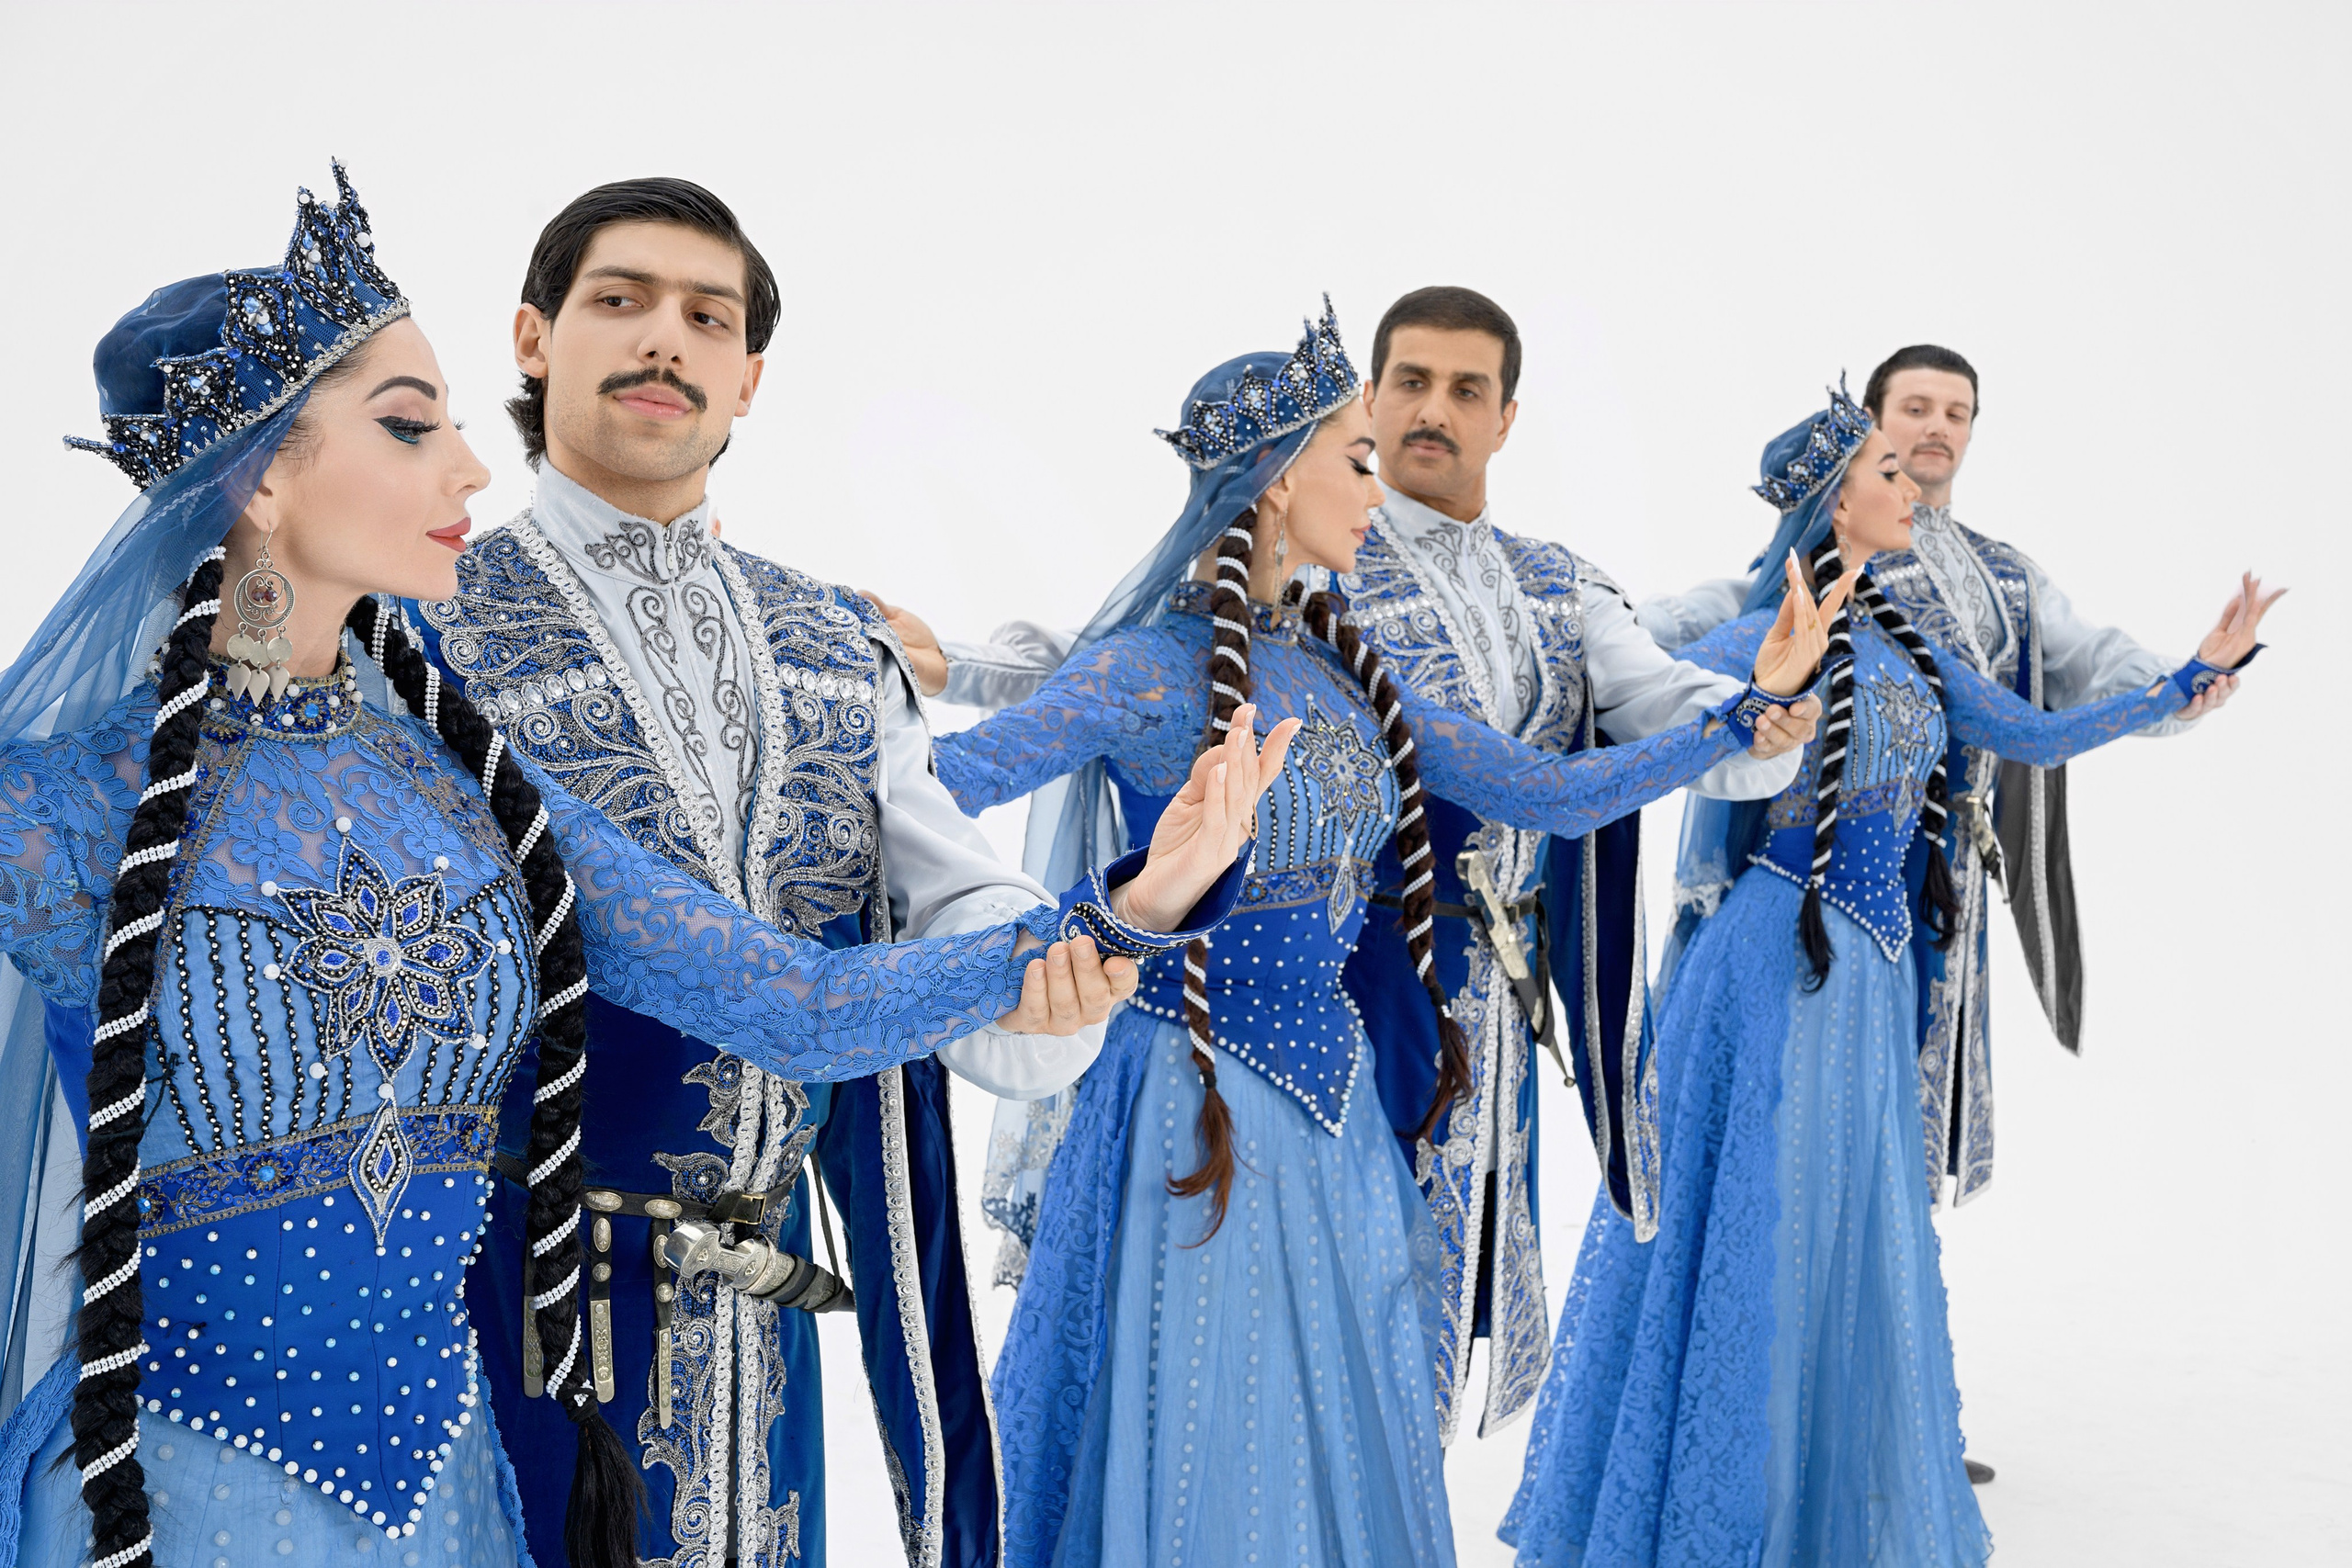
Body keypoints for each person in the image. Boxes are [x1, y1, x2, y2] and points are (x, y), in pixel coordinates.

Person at [0, 166, 1269, 1568]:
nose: (466, 470)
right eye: (414, 428)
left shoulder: (472, 772)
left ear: (752, 373)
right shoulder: (105, 787)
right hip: (222, 1468)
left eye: (706, 316)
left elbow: (794, 1000)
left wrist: (1118, 916)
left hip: (481, 1472)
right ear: (258, 471)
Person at [930, 303, 1834, 1568]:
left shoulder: (1352, 664)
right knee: (1197, 1432)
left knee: (1343, 1426)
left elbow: (1542, 787)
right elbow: (949, 783)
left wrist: (1743, 723)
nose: (1378, 483)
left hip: (1339, 1114)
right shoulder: (1147, 671)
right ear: (1272, 479)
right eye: (1354, 457)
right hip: (1189, 1115)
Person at [411, 178, 1219, 1568]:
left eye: (705, 318)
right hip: (490, 1294)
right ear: (534, 338)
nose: (666, 339)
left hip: (762, 1312)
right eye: (622, 301)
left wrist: (1054, 964)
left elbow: (953, 887)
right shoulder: (422, 628)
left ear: (750, 379)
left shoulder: (834, 646)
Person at [1500, 384, 2273, 1568]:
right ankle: (1725, 1503)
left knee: (1850, 1217)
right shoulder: (1747, 631)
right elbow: (1639, 704)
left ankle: (1826, 1465)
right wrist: (1740, 694)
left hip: (1873, 968)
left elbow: (2032, 734)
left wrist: (2180, 682)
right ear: (1834, 499)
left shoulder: (1912, 644)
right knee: (1759, 1216)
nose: (1914, 485)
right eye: (1889, 470)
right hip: (1773, 959)